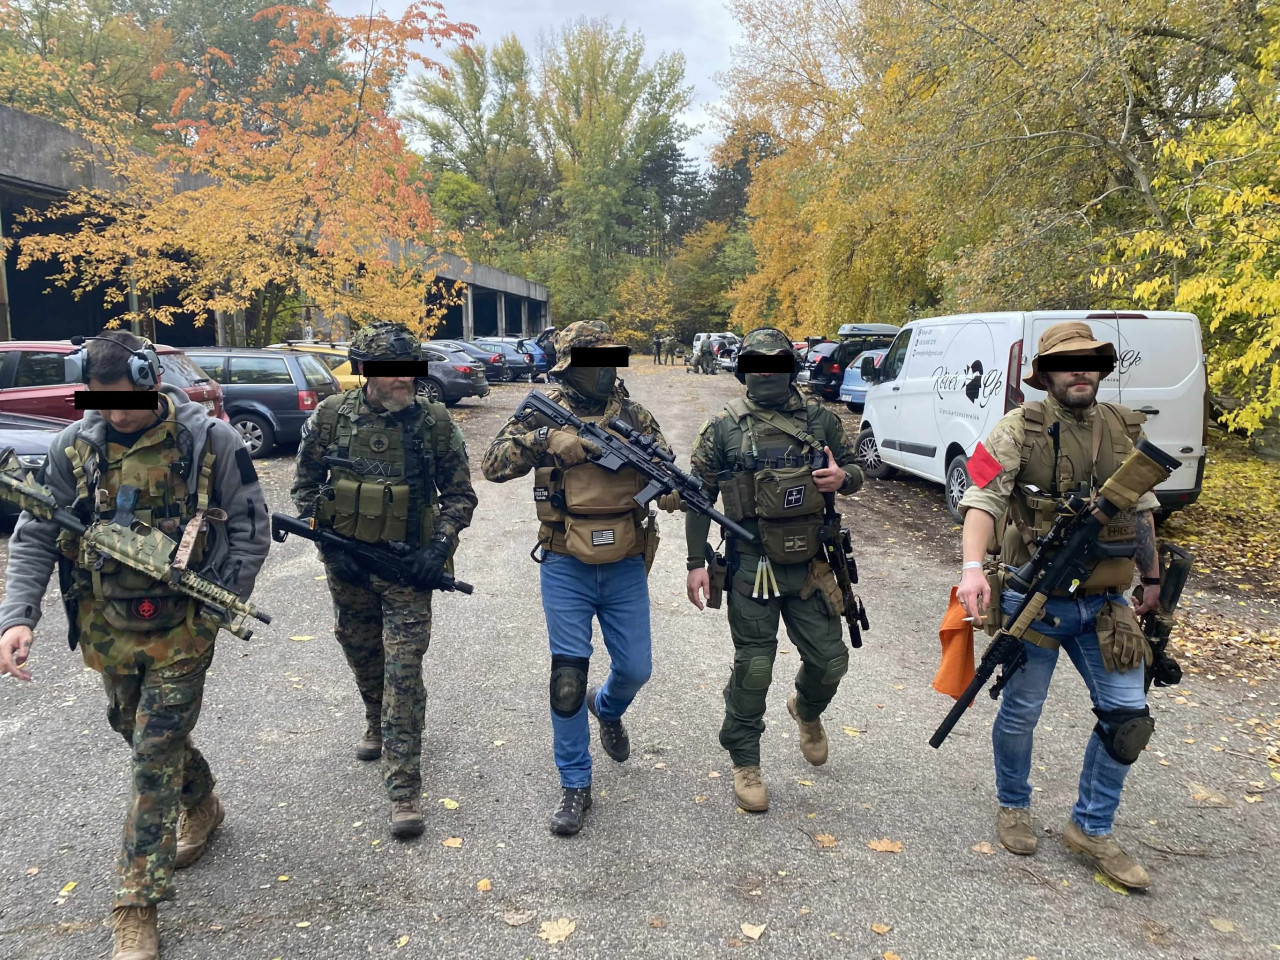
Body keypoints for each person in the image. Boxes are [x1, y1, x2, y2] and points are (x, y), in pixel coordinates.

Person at [0, 330, 271, 960]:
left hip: (184, 625)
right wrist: (18, 618)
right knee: (131, 725)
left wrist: (220, 601)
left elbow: (250, 527)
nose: (115, 413)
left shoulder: (211, 441)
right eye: (101, 400)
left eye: (124, 399)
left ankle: (135, 906)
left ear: (151, 380)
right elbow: (37, 532)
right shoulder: (75, 446)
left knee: (153, 754)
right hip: (107, 624)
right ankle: (201, 799)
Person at [954, 321, 1164, 891]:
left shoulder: (1123, 428)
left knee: (1128, 719)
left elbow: (1142, 509)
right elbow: (980, 497)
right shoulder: (1015, 428)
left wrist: (1151, 579)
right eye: (1067, 363)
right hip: (1036, 599)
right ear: (1044, 375)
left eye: (1090, 362)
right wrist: (971, 568)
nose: (1080, 371)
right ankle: (1013, 804)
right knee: (1021, 712)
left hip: (1106, 604)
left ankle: (1091, 828)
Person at [291, 322, 476, 840]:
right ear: (365, 371)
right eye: (394, 371)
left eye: (411, 369)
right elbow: (304, 488)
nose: (405, 379)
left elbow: (460, 495)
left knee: (403, 670)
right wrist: (328, 545)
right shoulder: (331, 417)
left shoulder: (434, 422)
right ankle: (375, 715)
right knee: (360, 650)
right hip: (348, 566)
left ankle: (403, 789)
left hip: (408, 570)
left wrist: (438, 548)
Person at [482, 320, 667, 836]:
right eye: (592, 361)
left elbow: (663, 471)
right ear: (568, 366)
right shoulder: (543, 410)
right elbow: (492, 464)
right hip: (564, 561)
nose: (603, 371)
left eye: (609, 360)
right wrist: (545, 439)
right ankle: (575, 783)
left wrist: (671, 491)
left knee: (636, 668)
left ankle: (606, 708)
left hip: (625, 561)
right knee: (567, 679)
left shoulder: (634, 416)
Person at [682, 327, 863, 812]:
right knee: (755, 666)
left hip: (810, 566)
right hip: (751, 565)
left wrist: (843, 477)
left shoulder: (821, 421)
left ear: (790, 367)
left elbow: (856, 471)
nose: (766, 372)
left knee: (830, 661)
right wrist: (696, 562)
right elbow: (699, 497)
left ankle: (806, 709)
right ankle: (746, 760)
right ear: (743, 370)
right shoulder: (722, 427)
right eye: (756, 364)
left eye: (775, 363)